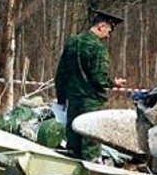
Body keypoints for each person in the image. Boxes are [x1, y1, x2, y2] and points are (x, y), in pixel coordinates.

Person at [54, 9, 126, 160]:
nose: (108, 35)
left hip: (73, 101)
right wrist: (113, 83)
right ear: (101, 26)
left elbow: (61, 74)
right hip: (92, 103)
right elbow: (99, 78)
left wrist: (61, 98)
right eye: (109, 30)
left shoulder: (72, 42)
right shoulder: (98, 49)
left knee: (73, 142)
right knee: (90, 144)